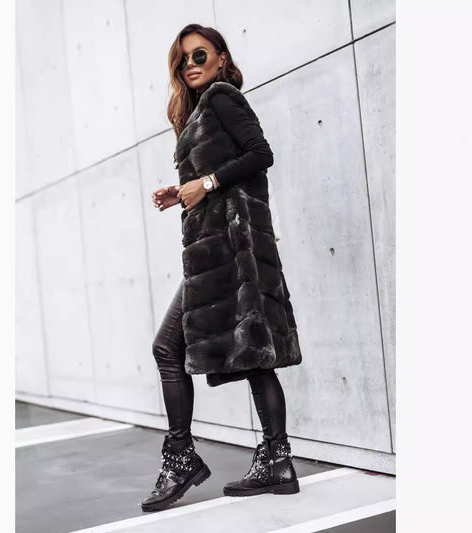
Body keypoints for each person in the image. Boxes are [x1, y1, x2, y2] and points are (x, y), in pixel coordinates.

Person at [141, 24, 301, 513]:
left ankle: (182, 457)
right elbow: (222, 173)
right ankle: (276, 461)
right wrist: (183, 191)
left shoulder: (222, 97)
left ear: (221, 58)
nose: (190, 64)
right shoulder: (200, 111)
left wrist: (206, 183)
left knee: (169, 347)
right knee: (252, 357)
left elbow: (261, 154)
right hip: (217, 253)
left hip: (232, 250)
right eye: (183, 58)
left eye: (200, 54)